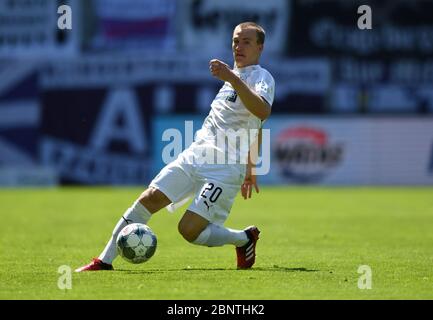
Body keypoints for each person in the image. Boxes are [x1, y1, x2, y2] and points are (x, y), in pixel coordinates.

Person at [75, 21, 275, 272]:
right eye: (235, 40)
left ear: (260, 47)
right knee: (149, 198)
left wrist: (232, 78)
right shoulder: (230, 82)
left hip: (224, 168)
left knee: (189, 230)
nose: (239, 46)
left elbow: (262, 111)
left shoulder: (261, 77)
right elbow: (253, 125)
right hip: (195, 155)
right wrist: (252, 167)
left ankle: (244, 238)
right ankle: (103, 261)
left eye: (246, 41)